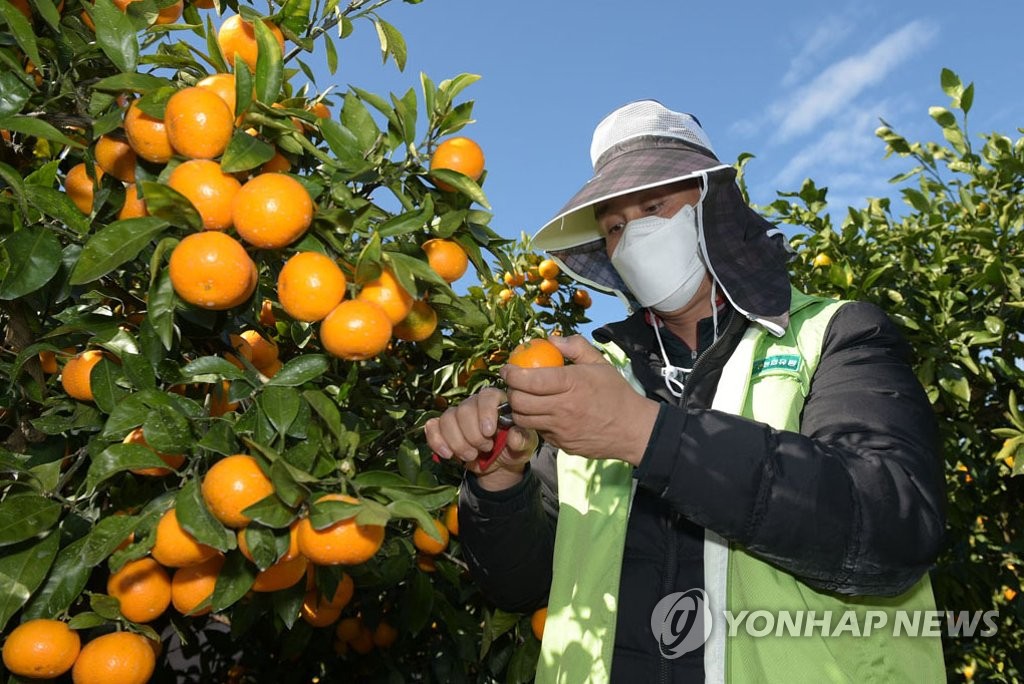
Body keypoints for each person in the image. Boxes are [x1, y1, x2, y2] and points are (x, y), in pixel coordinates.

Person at [424, 100, 947, 683]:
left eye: (655, 206)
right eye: (616, 226)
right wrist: (499, 482)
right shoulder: (600, 379)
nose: (634, 234)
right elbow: (519, 585)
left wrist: (642, 433)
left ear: (714, 209)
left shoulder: (833, 335)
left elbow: (891, 526)